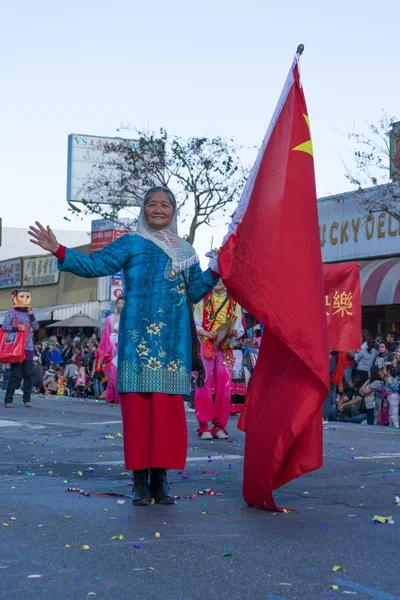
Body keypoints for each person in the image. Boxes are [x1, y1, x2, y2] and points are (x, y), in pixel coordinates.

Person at [28, 185, 218, 506]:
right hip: (137, 343)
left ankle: (161, 479)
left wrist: (215, 269)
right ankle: (139, 482)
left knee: (168, 414)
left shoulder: (186, 251)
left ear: (174, 211)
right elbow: (94, 266)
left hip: (173, 344)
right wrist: (59, 250)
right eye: (151, 204)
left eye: (165, 205)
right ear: (143, 209)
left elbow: (194, 292)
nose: (158, 209)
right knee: (140, 413)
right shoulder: (131, 243)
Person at [193, 280, 244, 439]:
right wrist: (205, 333)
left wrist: (234, 333)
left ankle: (219, 426)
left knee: (225, 386)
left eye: (221, 278)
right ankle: (204, 425)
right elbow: (196, 323)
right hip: (207, 346)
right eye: (215, 278)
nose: (218, 282)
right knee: (204, 384)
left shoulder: (234, 303)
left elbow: (239, 328)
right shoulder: (203, 299)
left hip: (226, 348)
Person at [2, 288, 39, 408]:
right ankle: (8, 399)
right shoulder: (11, 312)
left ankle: (27, 399)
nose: (25, 299)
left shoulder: (29, 313)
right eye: (22, 296)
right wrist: (17, 328)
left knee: (28, 374)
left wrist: (31, 314)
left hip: (28, 347)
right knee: (15, 374)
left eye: (27, 297)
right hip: (16, 348)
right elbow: (4, 326)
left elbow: (36, 326)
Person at [98, 297, 125, 403]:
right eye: (118, 303)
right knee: (112, 373)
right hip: (112, 347)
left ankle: (120, 396)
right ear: (115, 305)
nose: (120, 305)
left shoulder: (128, 318)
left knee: (121, 372)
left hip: (123, 347)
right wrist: (104, 352)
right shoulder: (109, 318)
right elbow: (106, 335)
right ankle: (112, 395)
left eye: (122, 303)